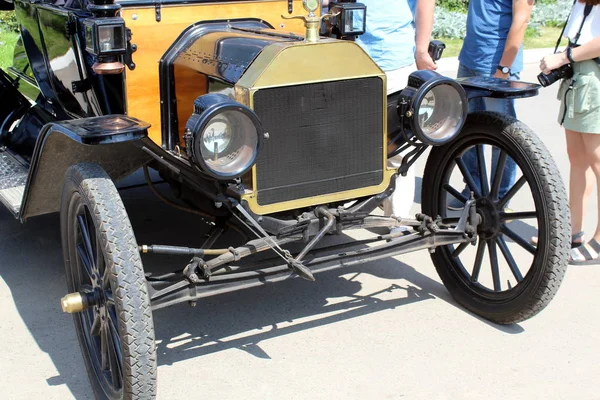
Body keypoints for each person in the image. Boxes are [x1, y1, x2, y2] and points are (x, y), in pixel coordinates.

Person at [323, 0, 436, 231]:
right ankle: (346, 208)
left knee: (397, 146)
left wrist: (422, 49)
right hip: (345, 57)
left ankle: (398, 220)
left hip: (390, 59)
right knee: (345, 138)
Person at [447, 0, 534, 210]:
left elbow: (521, 19)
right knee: (467, 130)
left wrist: (503, 69)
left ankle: (499, 199)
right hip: (470, 60)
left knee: (503, 138)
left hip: (496, 66)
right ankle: (473, 188)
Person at [539, 0, 600, 263]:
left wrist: (565, 57)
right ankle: (573, 231)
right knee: (577, 159)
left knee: (597, 161)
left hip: (594, 83)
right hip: (578, 81)